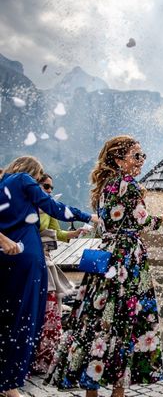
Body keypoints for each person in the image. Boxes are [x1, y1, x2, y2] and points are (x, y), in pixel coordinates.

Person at [45, 136, 163, 397]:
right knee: (126, 322)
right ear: (118, 159)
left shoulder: (105, 187)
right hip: (126, 261)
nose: (141, 161)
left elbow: (107, 225)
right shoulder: (128, 185)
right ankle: (118, 391)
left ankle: (92, 385)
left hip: (106, 257)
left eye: (142, 156)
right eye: (136, 156)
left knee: (99, 321)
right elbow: (145, 224)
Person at [0, 156, 96, 397]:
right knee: (25, 321)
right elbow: (53, 207)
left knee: (6, 320)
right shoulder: (23, 179)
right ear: (33, 173)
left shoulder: (2, 184)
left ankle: (3, 379)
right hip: (28, 259)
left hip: (6, 257)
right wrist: (88, 216)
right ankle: (10, 385)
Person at [31, 173, 87, 374]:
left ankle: (43, 359)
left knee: (50, 308)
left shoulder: (48, 209)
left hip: (44, 260)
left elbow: (58, 233)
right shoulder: (22, 207)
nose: (49, 191)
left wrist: (74, 233)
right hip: (27, 260)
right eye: (46, 186)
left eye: (51, 188)